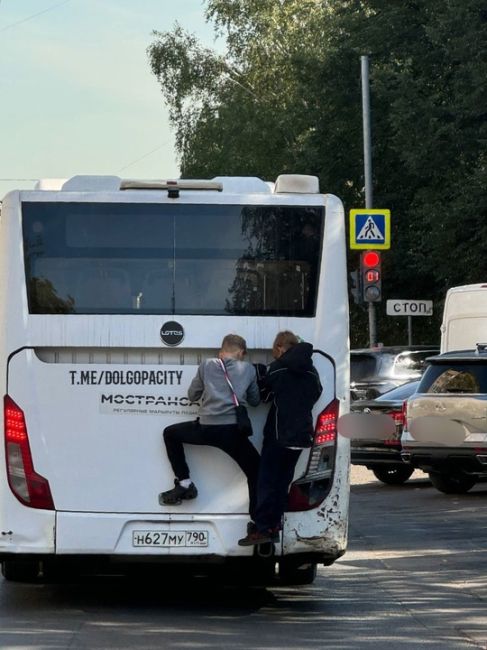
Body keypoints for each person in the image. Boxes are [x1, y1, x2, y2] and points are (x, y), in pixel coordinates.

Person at [159, 334, 260, 520]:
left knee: (170, 433)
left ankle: (185, 483)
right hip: (232, 432)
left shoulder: (207, 365)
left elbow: (192, 396)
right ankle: (257, 523)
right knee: (257, 472)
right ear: (241, 352)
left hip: (206, 429)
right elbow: (255, 401)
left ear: (222, 352)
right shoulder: (248, 369)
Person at [238, 330, 322, 546]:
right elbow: (317, 393)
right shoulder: (312, 371)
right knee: (283, 481)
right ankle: (274, 525)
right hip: (302, 435)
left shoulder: (278, 369)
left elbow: (263, 396)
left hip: (279, 433)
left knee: (266, 481)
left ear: (280, 348)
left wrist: (259, 375)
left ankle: (263, 528)